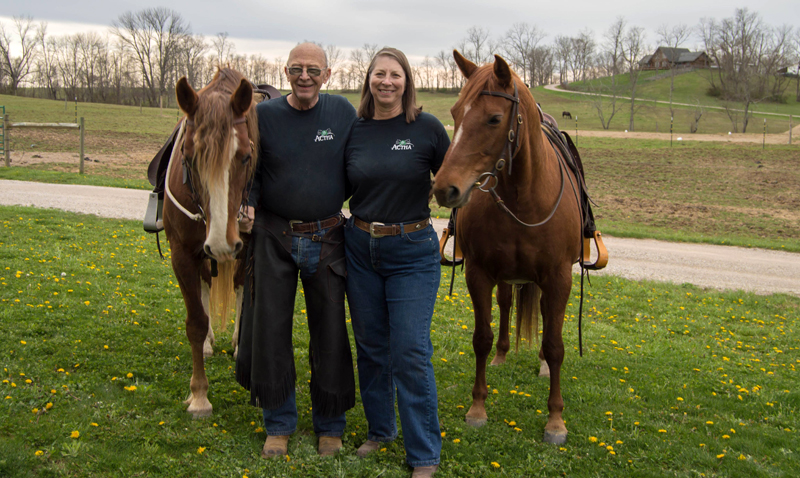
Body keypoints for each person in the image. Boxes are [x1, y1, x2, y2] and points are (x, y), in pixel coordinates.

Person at [235, 42, 356, 459]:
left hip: (327, 239)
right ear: (285, 72)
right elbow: (251, 172)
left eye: (313, 70)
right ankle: (279, 424)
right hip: (273, 237)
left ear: (328, 74)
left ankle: (330, 425)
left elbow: (360, 165)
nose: (305, 76)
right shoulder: (263, 115)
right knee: (270, 332)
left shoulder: (342, 113)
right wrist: (246, 205)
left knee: (331, 334)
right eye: (297, 69)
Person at [343, 47, 450, 478]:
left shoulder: (426, 129)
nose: (386, 82)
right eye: (379, 74)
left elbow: (456, 181)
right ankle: (380, 430)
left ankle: (424, 453)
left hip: (412, 251)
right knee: (370, 349)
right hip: (360, 247)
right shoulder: (354, 129)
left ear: (407, 82)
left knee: (409, 350)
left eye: (395, 75)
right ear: (368, 79)